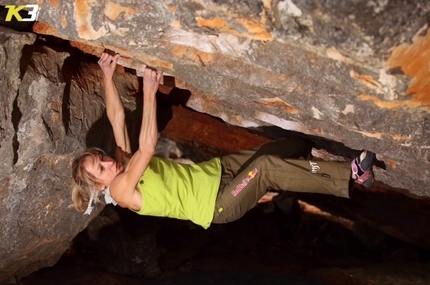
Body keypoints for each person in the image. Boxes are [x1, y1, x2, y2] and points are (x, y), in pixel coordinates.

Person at [72, 53, 377, 229]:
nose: (107, 163)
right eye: (100, 169)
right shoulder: (121, 189)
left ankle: (306, 163)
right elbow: (149, 145)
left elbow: (117, 118)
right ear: (100, 186)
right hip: (217, 205)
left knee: (288, 147)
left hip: (218, 172)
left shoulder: (119, 164)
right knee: (267, 168)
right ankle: (352, 174)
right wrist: (150, 91)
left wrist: (107, 74)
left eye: (100, 159)